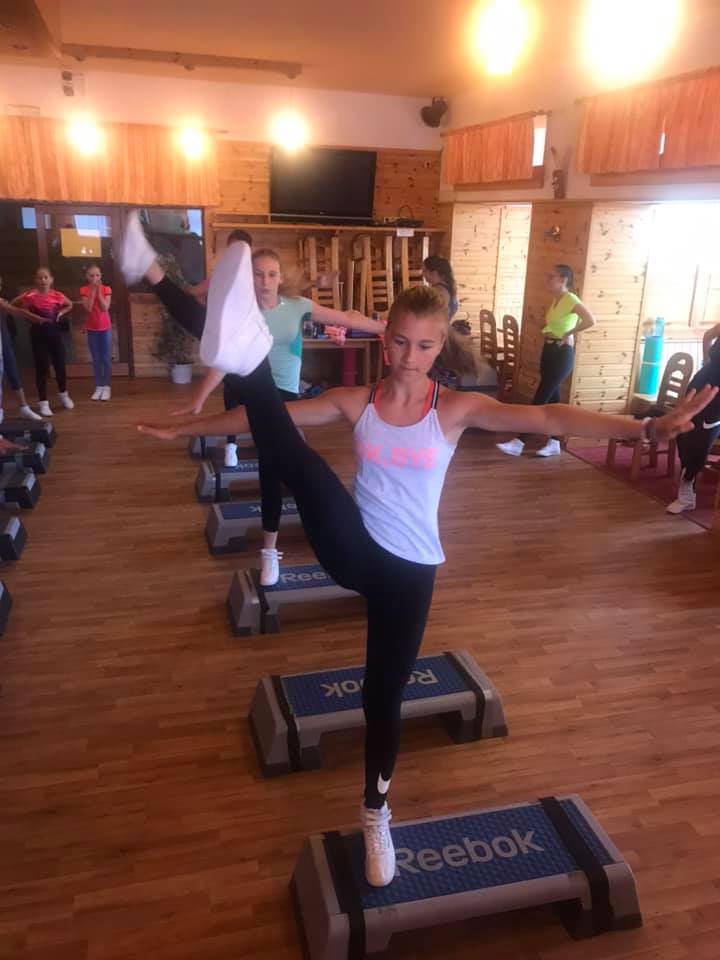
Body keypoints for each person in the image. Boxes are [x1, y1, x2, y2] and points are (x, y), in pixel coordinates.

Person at [136, 241, 716, 888]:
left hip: (410, 575)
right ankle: (223, 334)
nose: (410, 356)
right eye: (400, 342)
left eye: (424, 346)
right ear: (385, 339)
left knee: (381, 696)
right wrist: (184, 429)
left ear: (440, 347)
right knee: (293, 455)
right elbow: (260, 418)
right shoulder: (357, 400)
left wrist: (644, 429)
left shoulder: (455, 409)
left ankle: (375, 812)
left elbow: (549, 414)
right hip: (353, 547)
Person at [119, 212, 385, 586]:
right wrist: (199, 398)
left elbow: (347, 317)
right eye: (257, 274)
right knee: (270, 467)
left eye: (271, 274)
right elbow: (223, 361)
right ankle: (269, 550)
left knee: (278, 468)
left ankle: (148, 267)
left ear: (280, 278)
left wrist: (384, 327)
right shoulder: (247, 313)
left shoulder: (297, 306)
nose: (265, 281)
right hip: (255, 390)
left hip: (287, 398)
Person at [497, 264, 595, 458]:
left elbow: (590, 320)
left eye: (552, 276)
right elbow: (556, 323)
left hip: (562, 353)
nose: (547, 280)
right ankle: (555, 442)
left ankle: (520, 441)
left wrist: (570, 333)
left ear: (563, 280)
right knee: (553, 398)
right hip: (549, 349)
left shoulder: (570, 299)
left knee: (540, 398)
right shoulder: (556, 299)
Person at [667, 321, 720, 514]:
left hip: (716, 398)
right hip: (704, 380)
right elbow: (708, 336)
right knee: (683, 430)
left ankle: (687, 494)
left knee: (701, 438)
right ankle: (687, 485)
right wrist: (706, 360)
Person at [11, 267, 75, 417]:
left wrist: (61, 312)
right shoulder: (30, 296)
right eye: (40, 278)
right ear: (35, 280)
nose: (43, 280)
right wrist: (27, 314)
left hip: (55, 335)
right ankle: (43, 402)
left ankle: (63, 395)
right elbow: (13, 305)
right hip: (38, 336)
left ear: (51, 280)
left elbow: (70, 304)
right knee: (42, 368)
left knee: (60, 366)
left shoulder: (57, 295)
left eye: (46, 277)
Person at [0, 276, 44, 422]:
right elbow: (16, 311)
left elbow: (10, 310)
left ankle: (24, 408)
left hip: (4, 340)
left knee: (13, 372)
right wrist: (34, 317)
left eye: (0, 284)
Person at [79, 264, 113, 401]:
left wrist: (98, 292)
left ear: (101, 276)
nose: (94, 278)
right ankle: (99, 386)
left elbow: (105, 307)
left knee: (106, 358)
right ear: (87, 277)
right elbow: (88, 308)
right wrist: (92, 291)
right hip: (92, 329)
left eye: (97, 275)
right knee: (96, 359)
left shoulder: (107, 289)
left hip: (105, 328)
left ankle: (107, 386)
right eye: (91, 275)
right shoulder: (83, 290)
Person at [422, 255, 459, 320]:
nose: (423, 273)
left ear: (434, 273)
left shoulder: (438, 291)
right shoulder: (447, 286)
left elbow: (435, 317)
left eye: (425, 270)